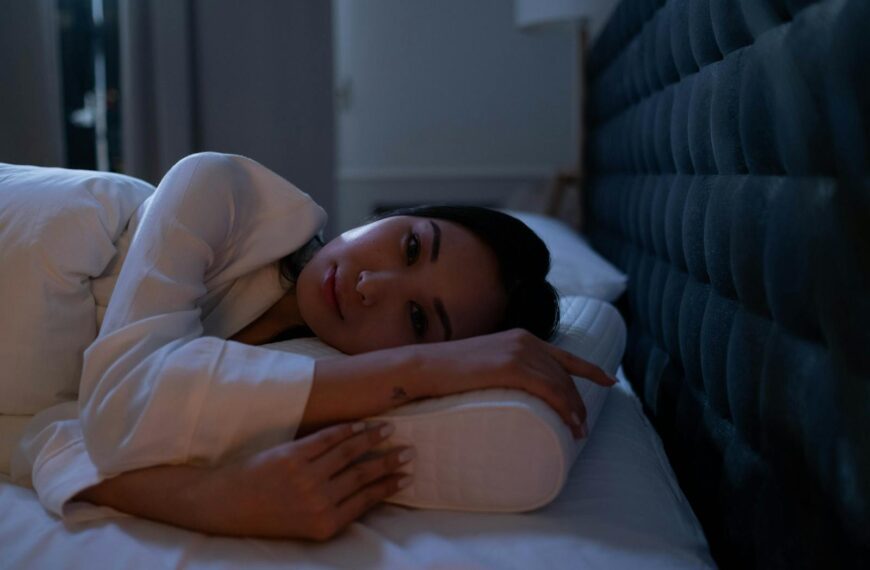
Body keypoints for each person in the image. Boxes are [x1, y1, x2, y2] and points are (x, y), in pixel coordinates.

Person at [10, 152, 615, 541]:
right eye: (409, 246)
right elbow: (121, 406)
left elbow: (47, 432)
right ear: (398, 214)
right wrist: (426, 364)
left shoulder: (295, 370)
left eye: (417, 320)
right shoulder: (221, 190)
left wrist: (223, 499)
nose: (371, 284)